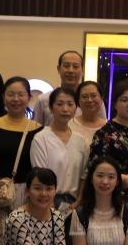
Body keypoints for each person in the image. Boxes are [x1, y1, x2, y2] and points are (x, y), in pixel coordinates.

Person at [0, 77, 42, 245]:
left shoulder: (38, 129)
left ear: (29, 98)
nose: (16, 99)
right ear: (3, 97)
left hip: (25, 194)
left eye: (21, 94)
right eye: (11, 94)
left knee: (23, 243)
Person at [30, 87, 88, 215]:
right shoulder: (41, 138)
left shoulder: (81, 141)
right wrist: (50, 206)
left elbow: (84, 174)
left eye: (70, 104)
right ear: (51, 108)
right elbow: (39, 174)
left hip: (74, 204)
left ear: (76, 108)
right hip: (47, 202)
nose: (65, 109)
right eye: (60, 104)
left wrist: (79, 200)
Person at [31, 50, 105, 125]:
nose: (71, 70)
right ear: (58, 69)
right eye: (66, 66)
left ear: (82, 70)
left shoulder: (93, 101)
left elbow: (102, 127)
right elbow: (35, 129)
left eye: (75, 66)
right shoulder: (44, 100)